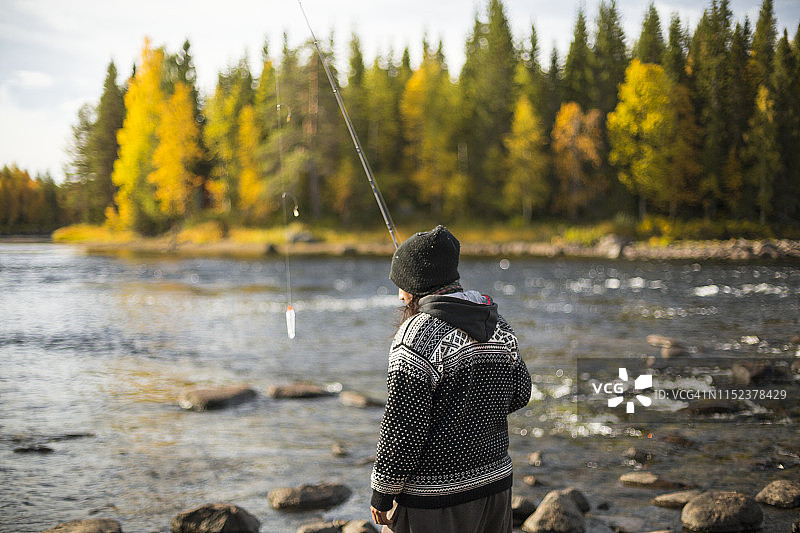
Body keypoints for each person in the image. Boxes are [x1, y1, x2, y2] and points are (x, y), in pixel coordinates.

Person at [370, 225, 532, 533]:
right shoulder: (498, 323)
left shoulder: (416, 335)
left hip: (435, 501)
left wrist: (383, 492)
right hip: (495, 487)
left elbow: (404, 426)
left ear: (415, 284)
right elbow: (521, 393)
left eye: (401, 285)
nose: (399, 295)